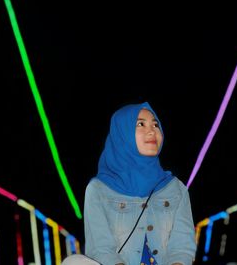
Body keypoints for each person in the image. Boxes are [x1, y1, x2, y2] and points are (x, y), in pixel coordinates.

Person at [63, 101, 196, 265]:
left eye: (156, 125)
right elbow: (101, 249)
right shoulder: (98, 189)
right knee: (74, 262)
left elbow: (182, 248)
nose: (151, 131)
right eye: (141, 124)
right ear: (122, 133)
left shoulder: (176, 189)